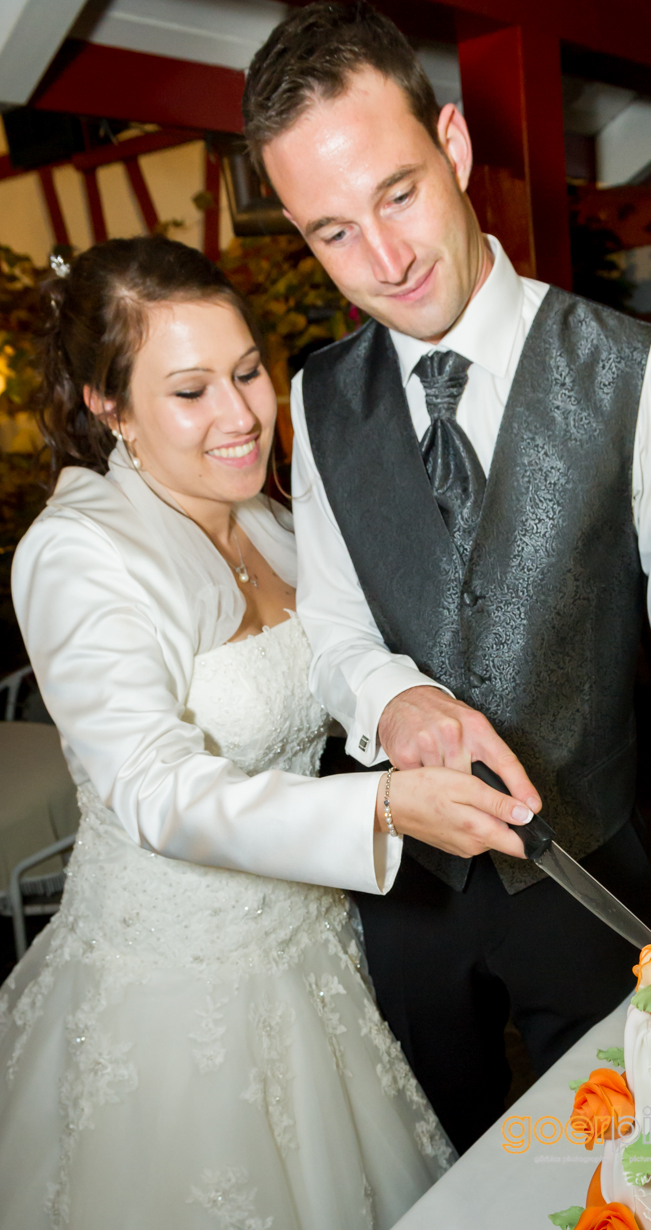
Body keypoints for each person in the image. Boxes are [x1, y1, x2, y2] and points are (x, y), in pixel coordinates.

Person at [243, 1, 651, 1153]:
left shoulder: (640, 373)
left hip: (591, 895)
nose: (381, 262)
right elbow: (335, 624)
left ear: (454, 143)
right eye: (331, 232)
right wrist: (396, 699)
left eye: (396, 194)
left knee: (618, 1168)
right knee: (436, 1165)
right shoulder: (316, 394)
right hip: (404, 899)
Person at [0, 235, 538, 1229]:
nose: (245, 414)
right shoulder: (78, 555)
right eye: (192, 390)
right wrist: (380, 803)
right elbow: (155, 790)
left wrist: (403, 711)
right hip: (175, 991)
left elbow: (333, 665)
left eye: (248, 371)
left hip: (313, 949)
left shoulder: (270, 515)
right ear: (105, 405)